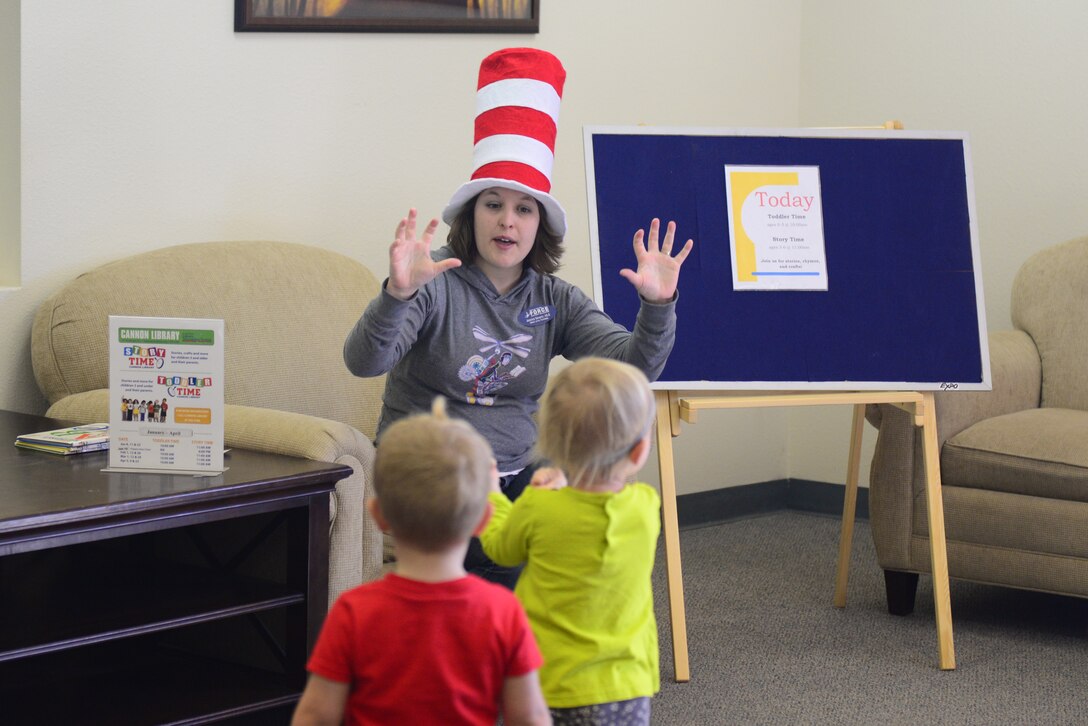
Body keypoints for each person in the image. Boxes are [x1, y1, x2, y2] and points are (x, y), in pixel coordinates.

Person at [343, 47, 692, 587]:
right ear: (472, 213)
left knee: (582, 540)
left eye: (523, 209)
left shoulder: (555, 298)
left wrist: (657, 305)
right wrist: (397, 293)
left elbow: (635, 370)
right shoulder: (434, 283)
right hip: (432, 470)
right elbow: (364, 362)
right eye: (493, 204)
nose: (507, 221)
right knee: (506, 569)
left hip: (518, 470)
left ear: (539, 226)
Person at [291, 397, 551, 726]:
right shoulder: (504, 613)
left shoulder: (353, 612)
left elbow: (316, 715)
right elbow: (530, 717)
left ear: (378, 516)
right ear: (484, 520)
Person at [479, 357, 661, 725]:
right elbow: (591, 512)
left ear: (553, 446)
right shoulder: (644, 508)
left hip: (548, 684)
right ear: (638, 453)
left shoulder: (538, 507)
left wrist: (493, 496)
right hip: (625, 686)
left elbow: (500, 547)